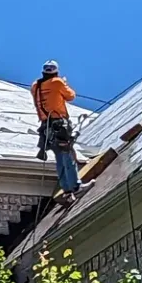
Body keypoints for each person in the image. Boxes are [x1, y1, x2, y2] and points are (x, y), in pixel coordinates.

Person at [32, 60, 82, 194]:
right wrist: (63, 82)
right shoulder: (57, 82)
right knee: (67, 154)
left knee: (59, 157)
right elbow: (70, 96)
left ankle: (66, 188)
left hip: (46, 126)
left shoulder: (35, 86)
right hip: (59, 123)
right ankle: (75, 186)